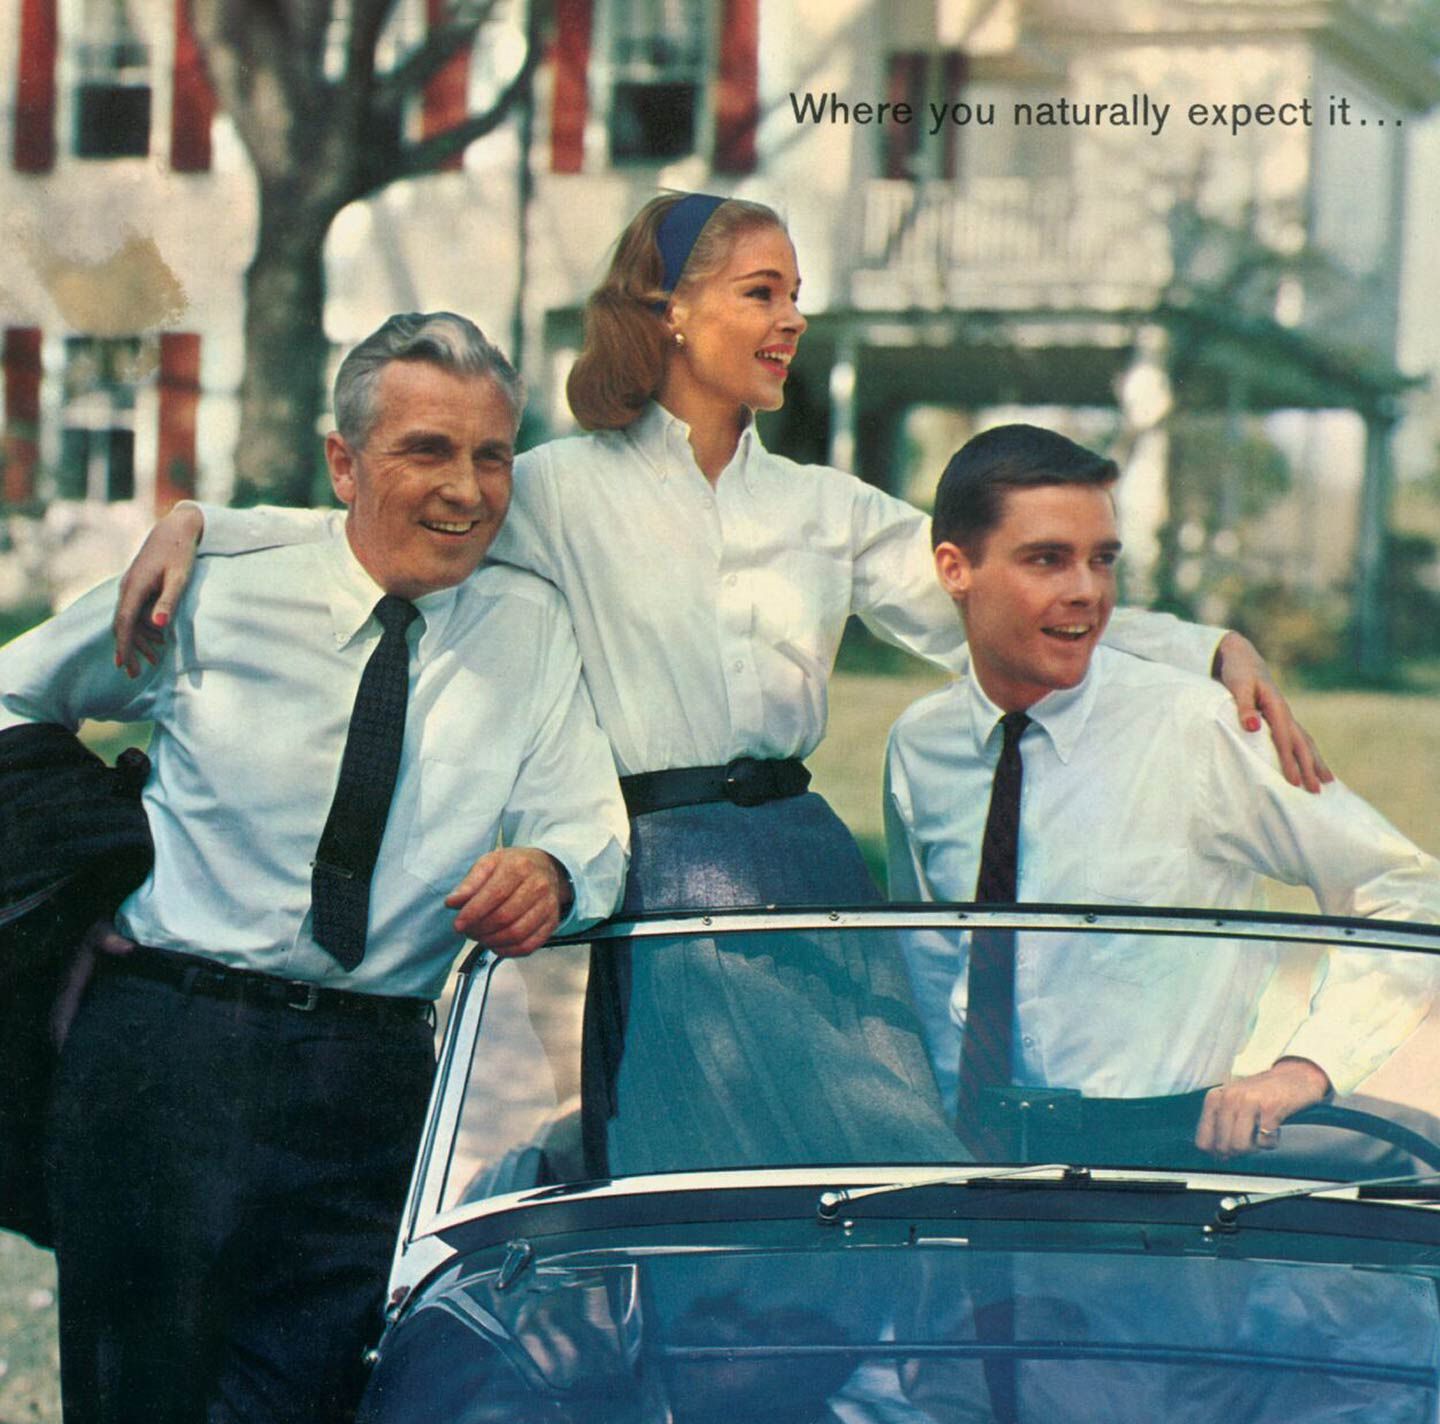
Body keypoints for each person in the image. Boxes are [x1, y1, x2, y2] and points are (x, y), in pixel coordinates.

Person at [109, 194, 1324, 1170]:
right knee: (676, 1168)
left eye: (797, 295)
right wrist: (204, 525)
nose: (793, 319)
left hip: (799, 855)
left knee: (847, 1155)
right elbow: (394, 522)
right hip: (639, 870)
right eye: (762, 293)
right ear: (671, 311)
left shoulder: (819, 506)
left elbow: (998, 606)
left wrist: (1198, 646)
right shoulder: (555, 488)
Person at [0, 311, 628, 1424]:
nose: (464, 490)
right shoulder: (214, 596)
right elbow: (16, 695)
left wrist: (552, 869)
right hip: (167, 1054)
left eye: (494, 457)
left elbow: (585, 820)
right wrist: (93, 851)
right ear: (345, 466)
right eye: (425, 451)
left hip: (372, 1077)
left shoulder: (528, 630)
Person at [883, 423, 1440, 1164]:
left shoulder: (1199, 728)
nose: (1086, 591)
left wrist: (1303, 1071)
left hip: (1169, 1158)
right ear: (955, 568)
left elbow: (1403, 890)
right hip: (976, 1158)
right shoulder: (921, 747)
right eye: (1047, 560)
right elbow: (928, 965)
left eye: (1102, 560)